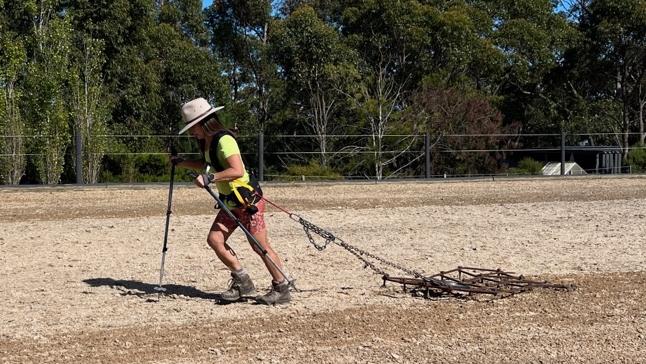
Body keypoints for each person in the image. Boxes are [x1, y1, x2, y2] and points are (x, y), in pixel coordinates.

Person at [172, 97, 291, 305]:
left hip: (247, 202)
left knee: (259, 246)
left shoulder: (224, 140)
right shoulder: (208, 143)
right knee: (215, 240)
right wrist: (182, 163)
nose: (192, 132)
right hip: (231, 203)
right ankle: (242, 282)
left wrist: (210, 178)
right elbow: (209, 164)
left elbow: (237, 170)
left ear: (204, 122)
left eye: (193, 127)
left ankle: (281, 287)